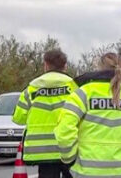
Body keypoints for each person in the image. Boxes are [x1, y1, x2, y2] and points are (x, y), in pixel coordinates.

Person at [55, 53, 121, 178]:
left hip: (87, 170)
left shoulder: (83, 93)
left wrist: (69, 158)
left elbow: (65, 131)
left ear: (99, 68)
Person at [13, 49, 77, 178]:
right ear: (65, 66)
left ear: (46, 65)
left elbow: (18, 118)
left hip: (42, 150)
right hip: (68, 148)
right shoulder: (74, 87)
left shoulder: (31, 89)